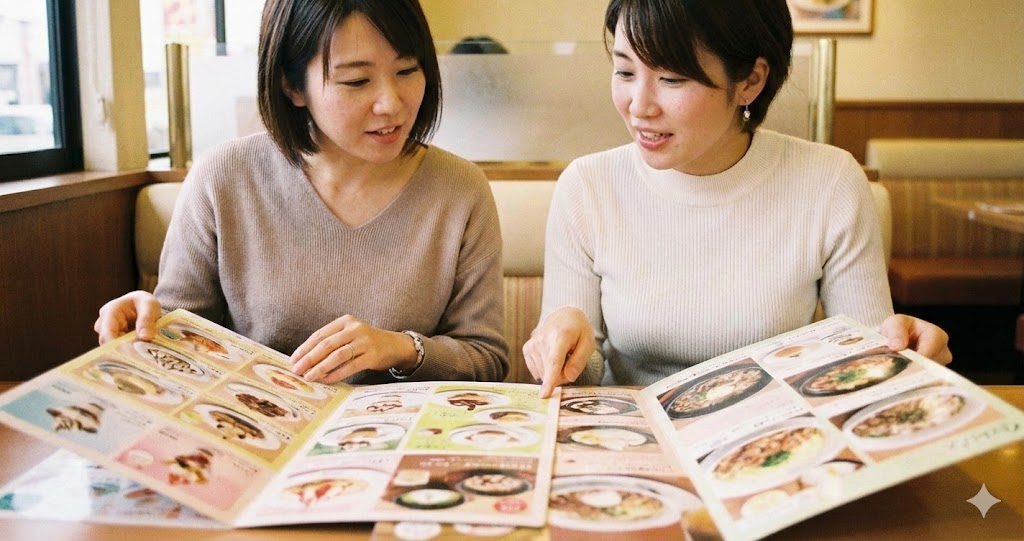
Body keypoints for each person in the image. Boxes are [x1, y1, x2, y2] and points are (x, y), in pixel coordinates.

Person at [524, 0, 952, 397]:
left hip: (778, 436)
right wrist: (564, 349)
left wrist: (904, 351)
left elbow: (866, 360)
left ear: (750, 81)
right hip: (627, 437)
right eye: (624, 72)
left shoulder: (830, 181)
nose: (639, 106)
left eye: (671, 78)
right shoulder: (587, 186)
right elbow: (579, 376)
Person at [94, 0, 508, 385]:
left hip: (399, 432)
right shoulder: (225, 177)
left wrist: (400, 348)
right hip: (254, 424)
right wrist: (142, 320)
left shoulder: (460, 189)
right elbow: (177, 329)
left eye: (407, 71)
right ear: (292, 87)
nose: (391, 104)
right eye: (357, 81)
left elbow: (486, 358)